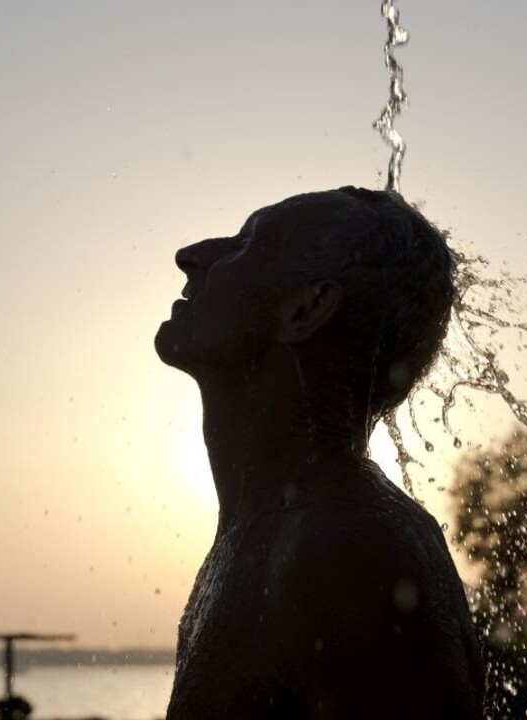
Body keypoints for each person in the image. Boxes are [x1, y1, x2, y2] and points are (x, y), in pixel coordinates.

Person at [154, 187, 486, 719]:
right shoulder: (270, 532)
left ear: (307, 309)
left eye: (247, 244)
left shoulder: (350, 551)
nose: (192, 254)